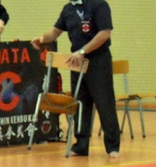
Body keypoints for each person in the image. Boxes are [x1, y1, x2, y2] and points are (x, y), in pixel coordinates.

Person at [31, 0, 120, 158]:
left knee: (104, 103)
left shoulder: (99, 4)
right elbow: (56, 31)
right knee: (80, 104)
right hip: (77, 62)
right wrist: (43, 38)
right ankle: (81, 146)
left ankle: (113, 147)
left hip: (98, 61)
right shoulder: (68, 9)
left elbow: (104, 33)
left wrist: (83, 51)